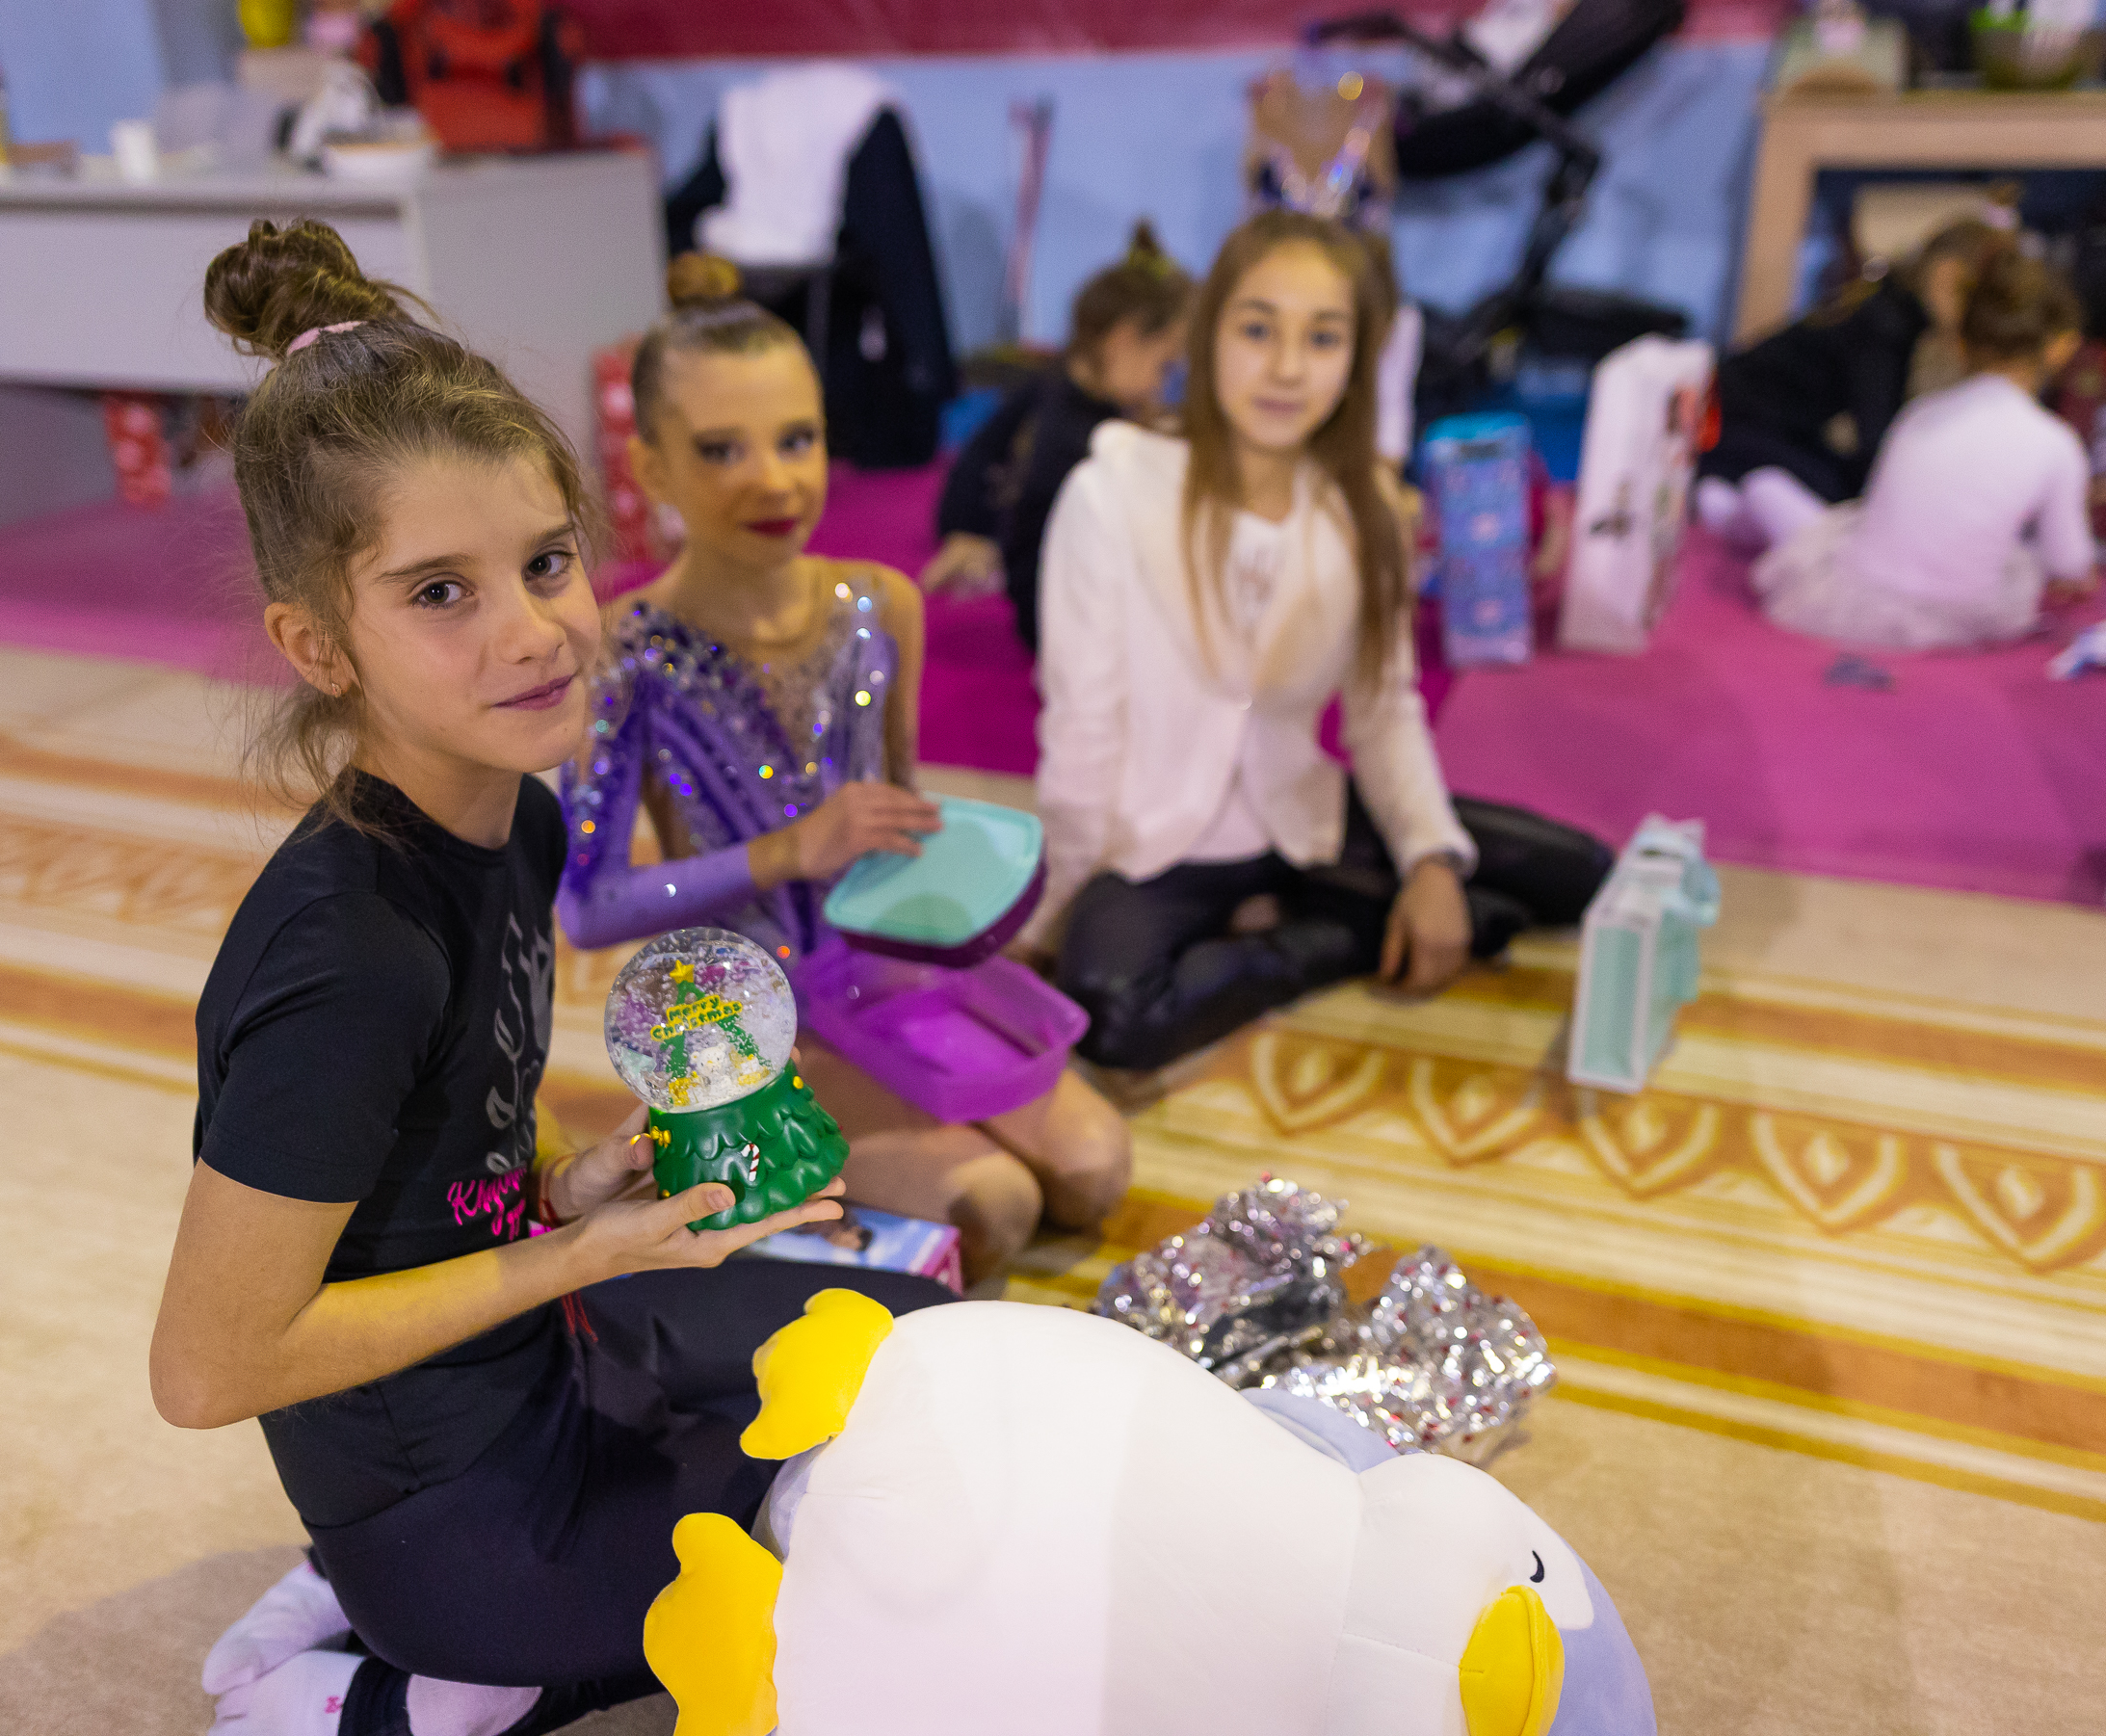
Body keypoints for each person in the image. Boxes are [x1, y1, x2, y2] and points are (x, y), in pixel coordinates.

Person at [151, 219, 952, 1736]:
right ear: (317, 644)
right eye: (438, 592)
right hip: (461, 1515)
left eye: (544, 560)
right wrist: (576, 1255)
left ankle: (436, 1650)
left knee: (914, 1344)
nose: (533, 633)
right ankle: (401, 1678)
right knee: (892, 1529)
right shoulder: (345, 957)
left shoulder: (514, 815)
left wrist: (567, 1191)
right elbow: (204, 1366)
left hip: (547, 1365)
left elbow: (446, 1162)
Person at [561, 257, 1131, 1282]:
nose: (774, 480)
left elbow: (901, 819)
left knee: (1096, 1168)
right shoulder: (621, 652)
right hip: (745, 1014)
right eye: (721, 449)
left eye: (797, 439)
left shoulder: (881, 605)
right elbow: (590, 908)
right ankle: (752, 1163)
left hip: (884, 975)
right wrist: (787, 851)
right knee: (996, 1205)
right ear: (652, 468)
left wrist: (980, 890)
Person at [1033, 209, 1612, 1074]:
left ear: (1358, 360)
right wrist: (1058, 904)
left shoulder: (1363, 510)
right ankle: (1335, 936)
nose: (1287, 368)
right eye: (1257, 329)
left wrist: (1429, 862)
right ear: (1208, 333)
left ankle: (1333, 903)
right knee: (1114, 1011)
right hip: (1153, 842)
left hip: (1302, 816)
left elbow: (1384, 712)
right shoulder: (1111, 492)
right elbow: (1081, 722)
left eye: (1324, 338)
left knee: (1580, 873)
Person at [1751, 250, 2095, 651]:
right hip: (1959, 616)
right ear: (2062, 346)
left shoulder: (1921, 413)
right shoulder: (2056, 442)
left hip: (1859, 596)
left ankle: (1730, 504)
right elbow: (2069, 562)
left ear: (1959, 342)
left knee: (1770, 490)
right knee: (2020, 562)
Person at [923, 222, 1193, 649]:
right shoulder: (1084, 438)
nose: (1159, 389)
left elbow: (979, 456)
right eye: (1164, 368)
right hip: (1059, 619)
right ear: (1123, 341)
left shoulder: (1060, 383)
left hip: (1042, 597)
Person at [1696, 216, 2017, 538]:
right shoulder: (1885, 322)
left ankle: (1724, 494)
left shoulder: (1891, 304)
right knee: (1844, 502)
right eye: (1973, 298)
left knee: (1848, 485)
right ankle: (1720, 496)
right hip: (1729, 420)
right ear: (1946, 273)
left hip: (1762, 419)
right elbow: (1877, 440)